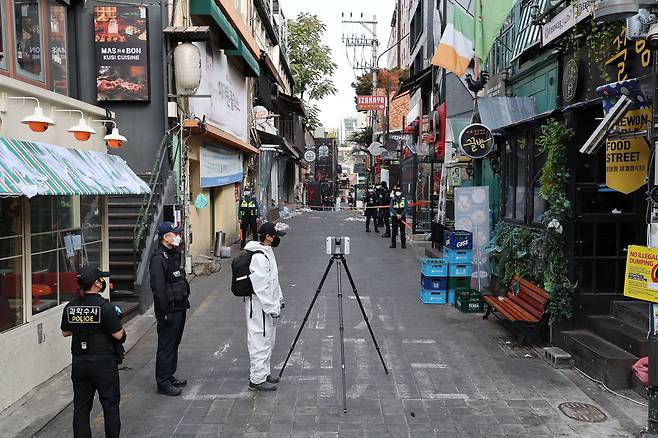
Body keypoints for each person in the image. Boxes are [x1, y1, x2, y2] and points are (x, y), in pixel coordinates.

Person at [61, 264, 126, 438]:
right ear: (97, 283)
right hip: (103, 363)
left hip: (80, 362)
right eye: (101, 279)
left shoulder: (71, 306)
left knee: (81, 407)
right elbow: (119, 335)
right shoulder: (106, 307)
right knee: (110, 406)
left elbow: (65, 332)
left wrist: (84, 327)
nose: (103, 281)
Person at [150, 222, 190, 396]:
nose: (177, 236)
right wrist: (163, 312)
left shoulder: (172, 254)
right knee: (166, 345)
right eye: (174, 234)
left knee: (174, 343)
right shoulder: (158, 258)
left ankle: (170, 375)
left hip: (179, 306)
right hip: (168, 310)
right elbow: (158, 289)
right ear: (166, 237)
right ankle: (163, 382)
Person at [244, 222, 285, 391]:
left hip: (267, 307)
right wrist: (272, 307)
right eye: (275, 235)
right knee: (258, 341)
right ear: (268, 236)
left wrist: (279, 299)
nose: (276, 239)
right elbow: (261, 287)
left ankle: (264, 373)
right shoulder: (259, 257)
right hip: (259, 307)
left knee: (268, 340)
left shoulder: (268, 252)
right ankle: (257, 379)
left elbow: (273, 280)